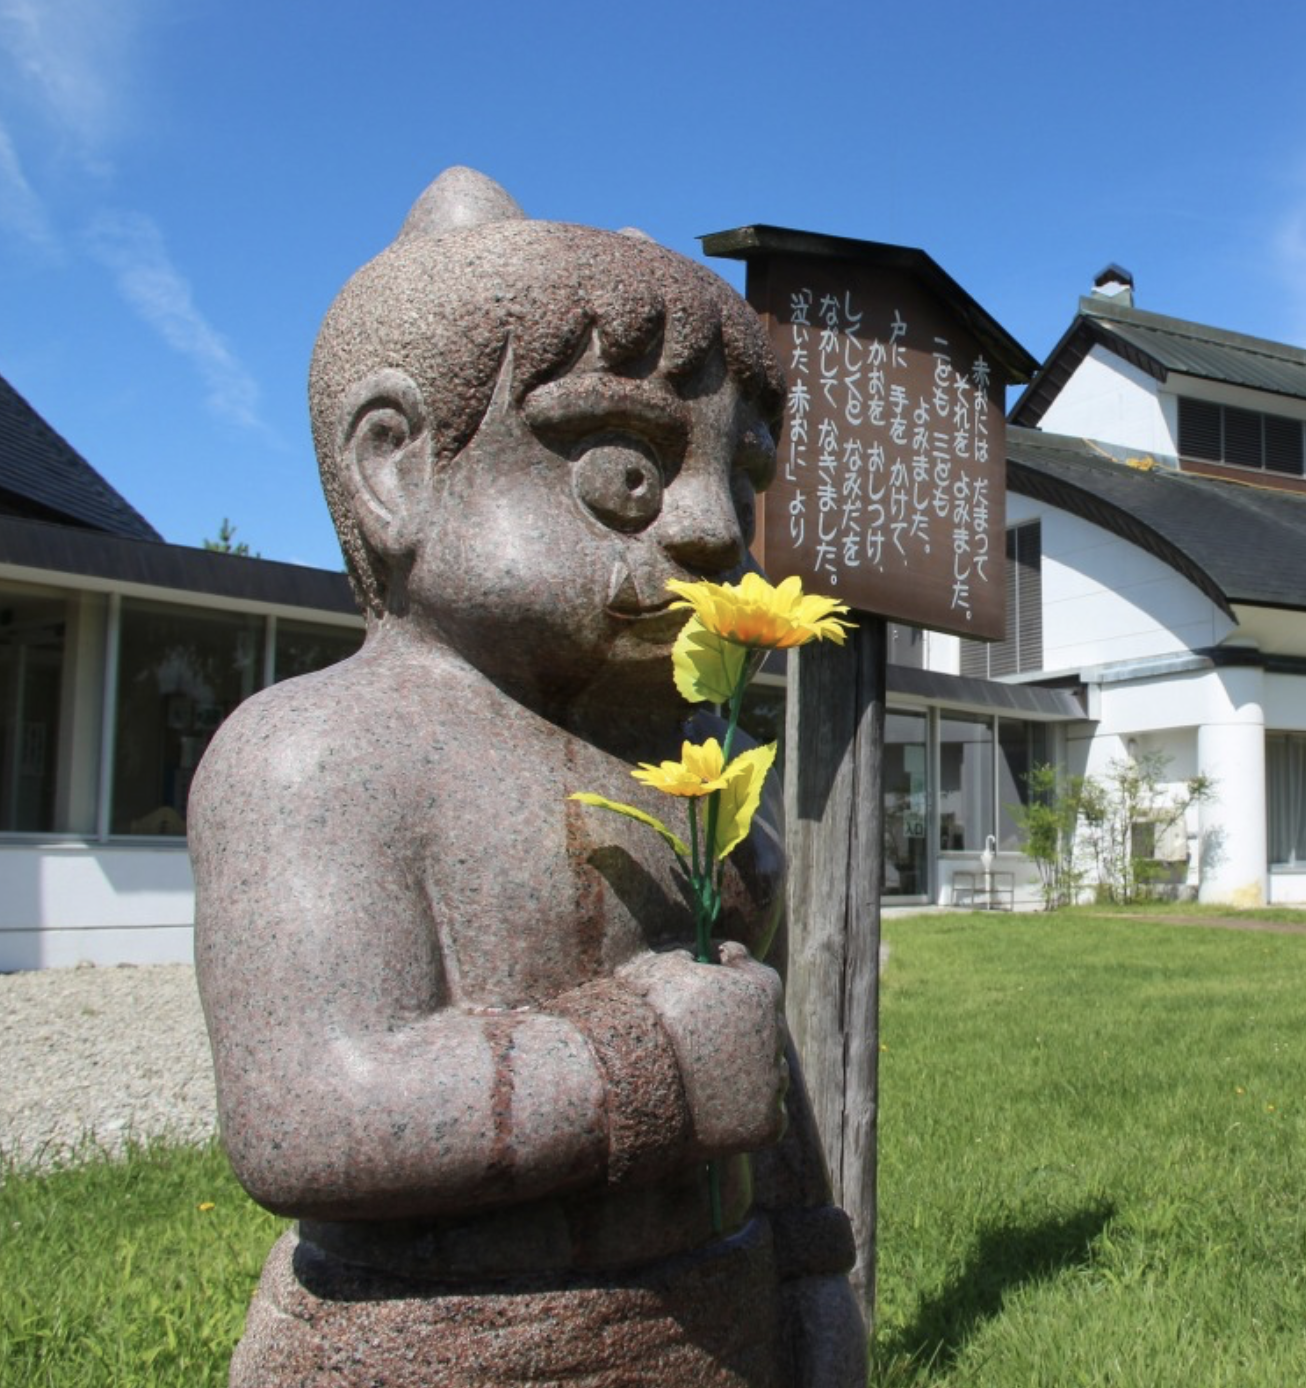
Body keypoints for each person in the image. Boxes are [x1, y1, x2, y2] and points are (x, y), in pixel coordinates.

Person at [190, 168, 862, 1387]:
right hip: (440, 1341)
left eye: (742, 478)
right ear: (396, 466)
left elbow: (750, 1048)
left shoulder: (689, 756)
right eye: (627, 472)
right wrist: (648, 1062)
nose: (716, 528)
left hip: (727, 1311)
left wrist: (813, 1269)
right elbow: (306, 1108)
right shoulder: (318, 751)